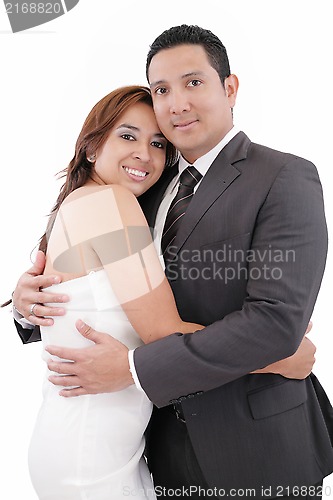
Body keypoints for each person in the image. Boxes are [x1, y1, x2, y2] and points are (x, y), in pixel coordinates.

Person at [12, 25, 333, 499]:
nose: (176, 102)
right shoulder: (140, 186)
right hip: (158, 447)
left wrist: (136, 368)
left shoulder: (284, 177)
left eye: (193, 82)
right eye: (162, 89)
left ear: (230, 88)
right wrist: (26, 302)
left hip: (254, 445)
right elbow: (100, 291)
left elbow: (274, 321)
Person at [19, 84, 210, 500]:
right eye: (128, 135)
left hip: (89, 444)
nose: (145, 152)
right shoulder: (109, 204)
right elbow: (164, 332)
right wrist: (276, 352)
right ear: (91, 148)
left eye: (158, 143)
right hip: (90, 456)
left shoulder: (84, 204)